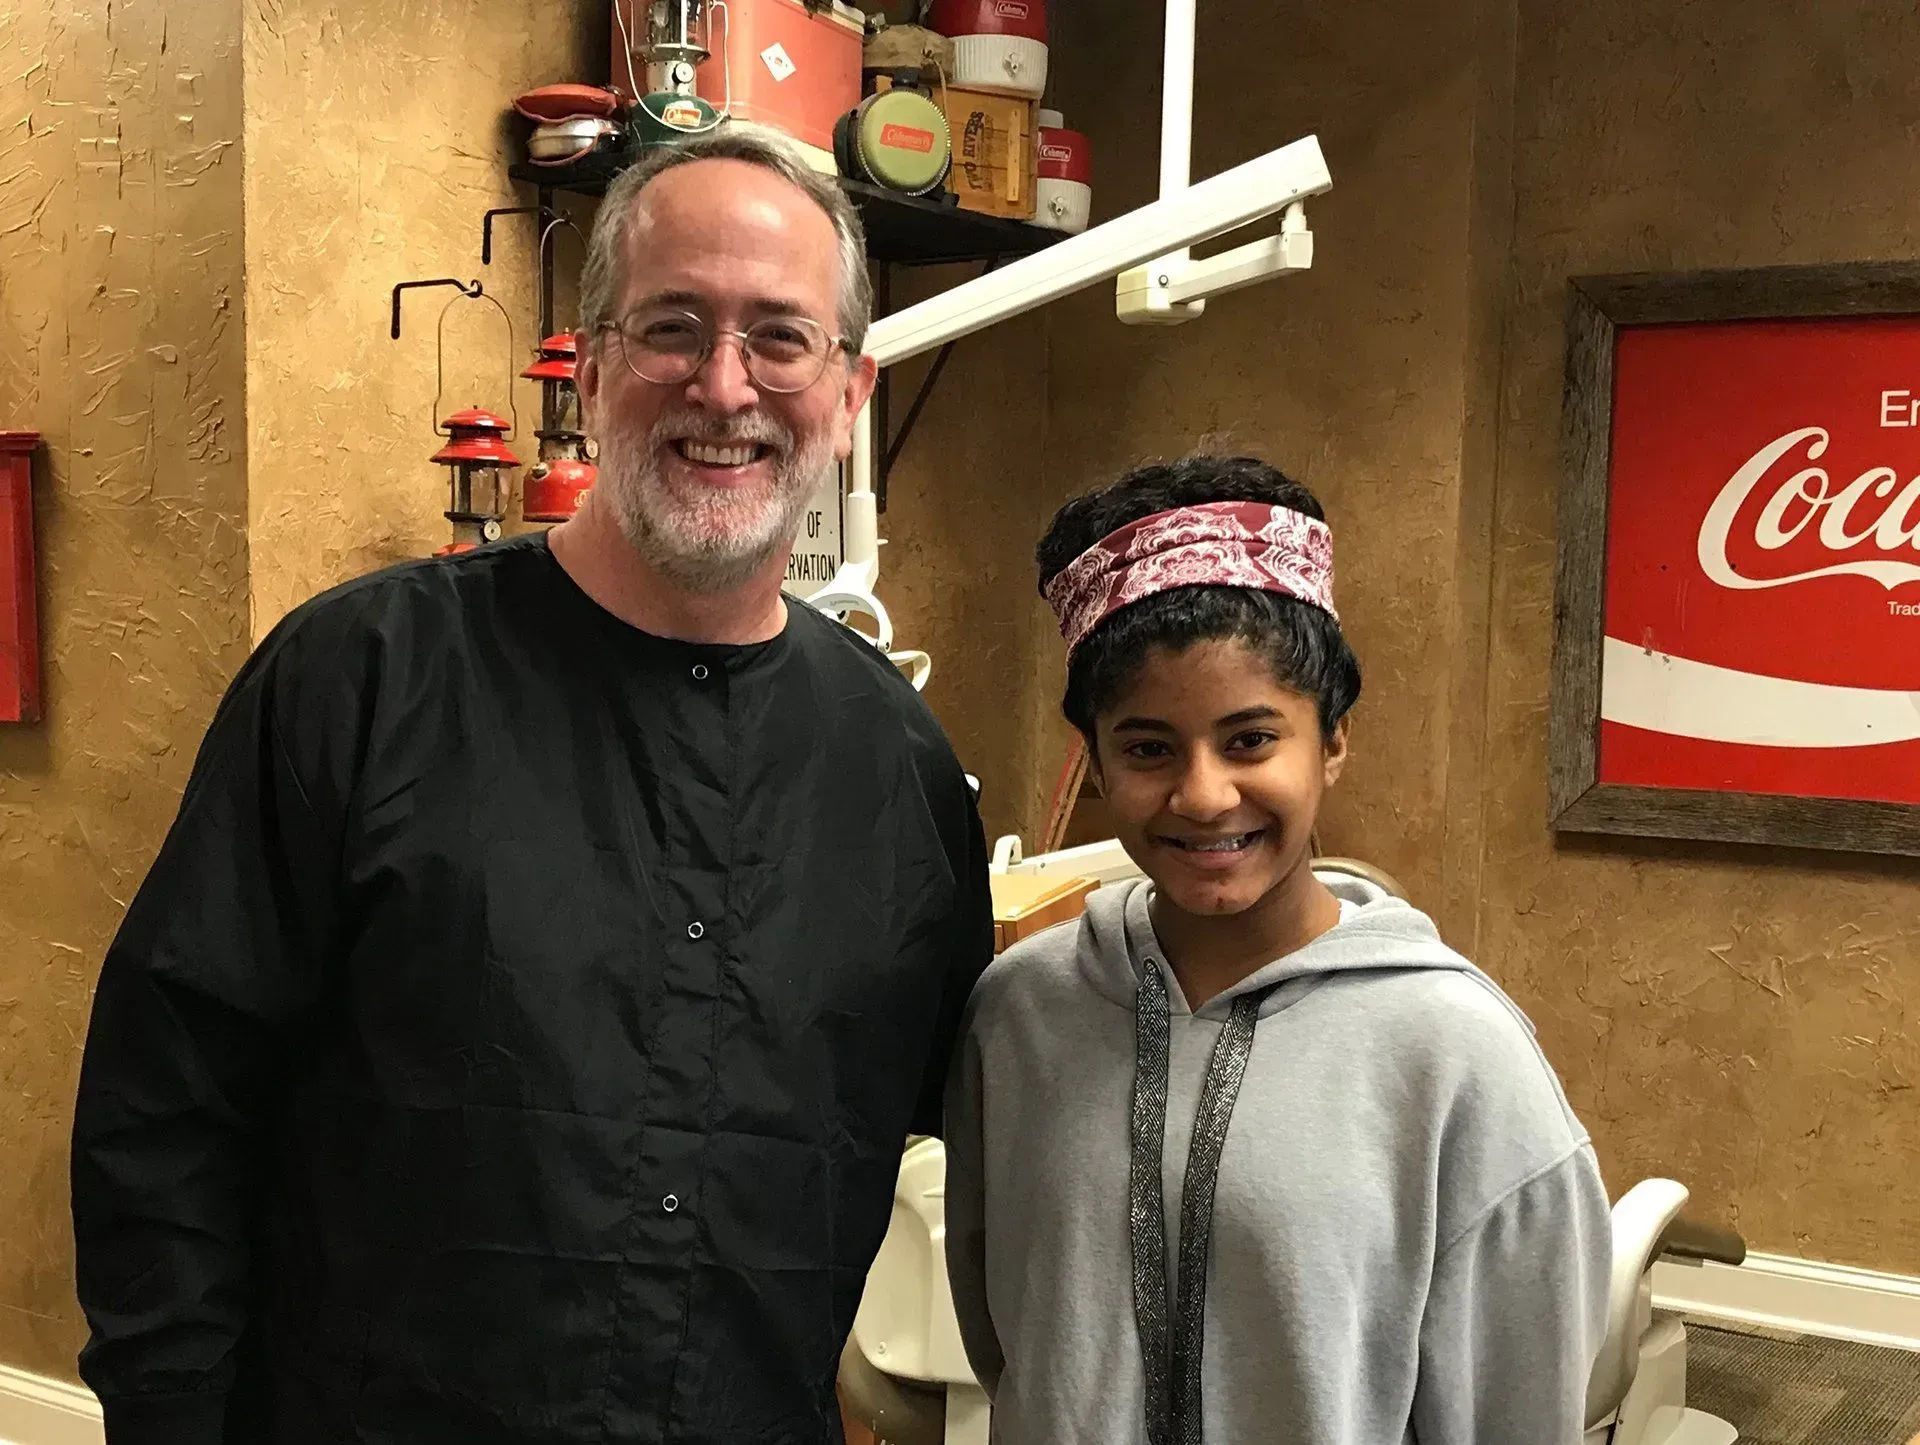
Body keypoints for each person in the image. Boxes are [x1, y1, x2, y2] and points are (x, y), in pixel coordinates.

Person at [70, 123, 994, 1445]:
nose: (724, 385)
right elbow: (164, 1114)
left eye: (780, 337)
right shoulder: (363, 681)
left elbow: (966, 1105)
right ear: (595, 361)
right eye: (673, 325)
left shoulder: (897, 772)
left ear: (849, 391)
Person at [942, 456, 1611, 1444]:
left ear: (1332, 739)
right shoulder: (1018, 1015)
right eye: (1149, 746)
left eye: (1251, 739)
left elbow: (1518, 1411)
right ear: (1093, 754)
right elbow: (1006, 1342)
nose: (1204, 794)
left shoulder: (1458, 1059)